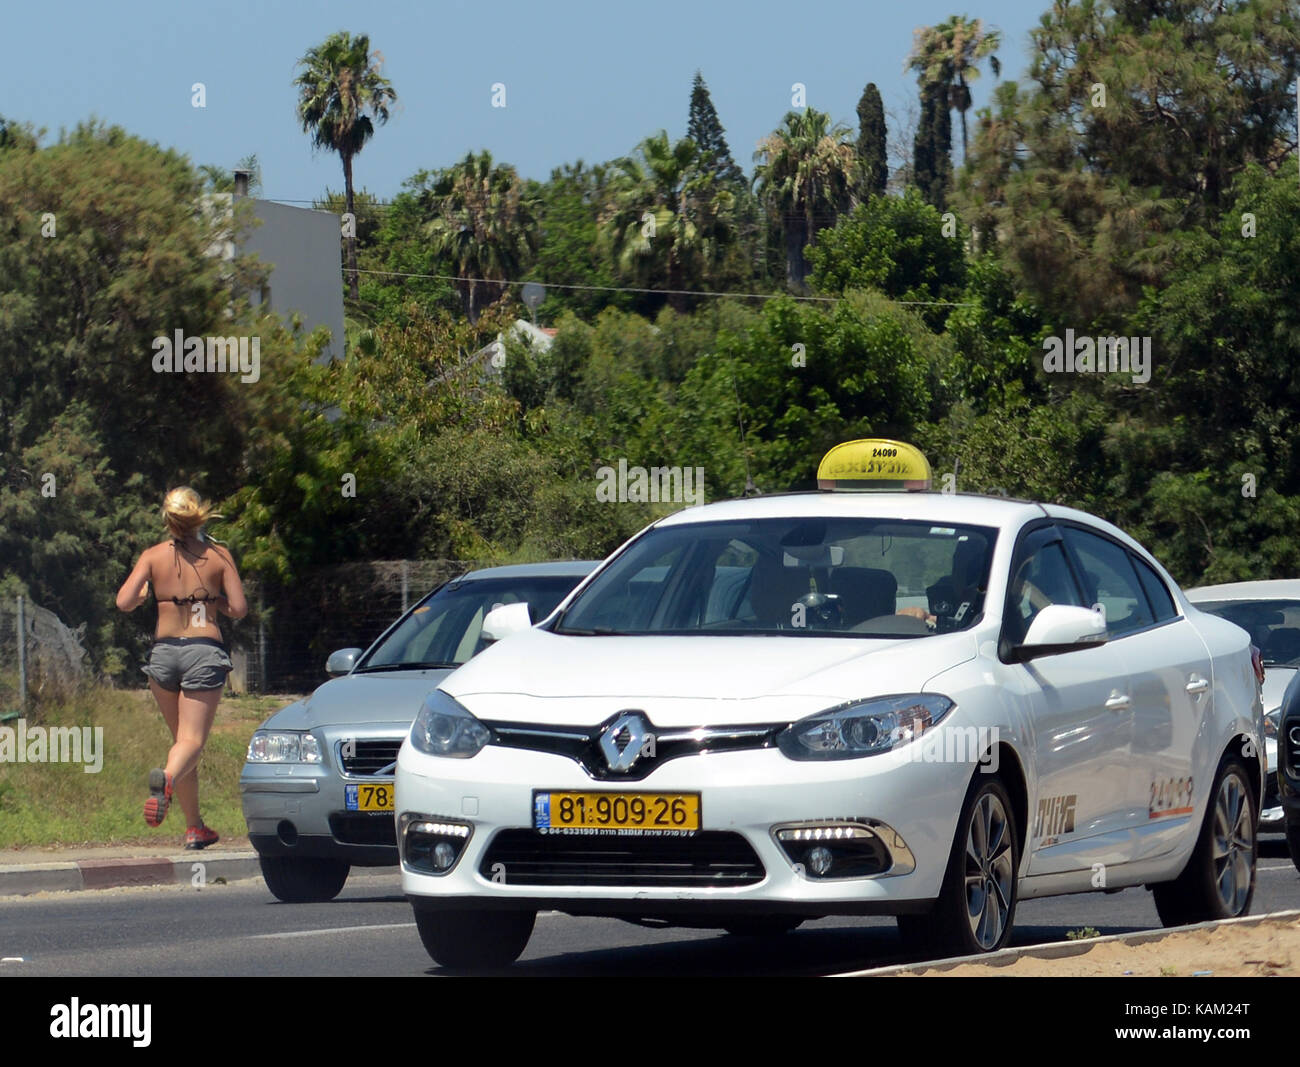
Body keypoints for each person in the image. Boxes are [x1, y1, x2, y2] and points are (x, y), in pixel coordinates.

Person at [116, 487, 248, 849]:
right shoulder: (219, 556)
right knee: (191, 743)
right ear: (199, 517)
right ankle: (167, 778)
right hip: (203, 652)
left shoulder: (152, 555)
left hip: (163, 654)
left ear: (168, 519)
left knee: (183, 743)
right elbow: (239, 608)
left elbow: (124, 601)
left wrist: (146, 596)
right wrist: (213, 600)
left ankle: (195, 828)